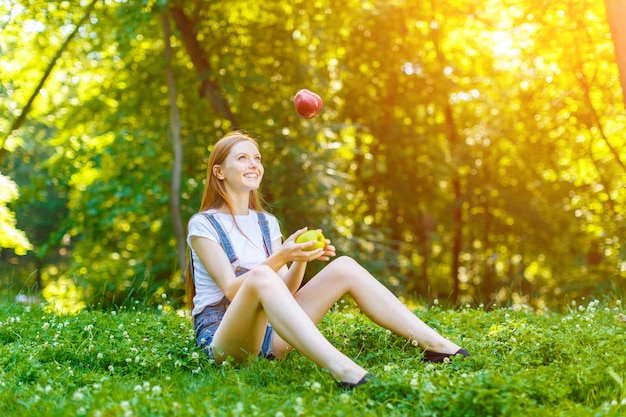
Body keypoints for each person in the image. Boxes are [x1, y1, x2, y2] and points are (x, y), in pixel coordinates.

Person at [186, 131, 469, 389]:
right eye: (243, 158)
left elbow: (286, 291)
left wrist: (300, 258)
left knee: (344, 266)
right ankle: (343, 369)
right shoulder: (203, 225)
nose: (253, 164)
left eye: (257, 158)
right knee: (262, 276)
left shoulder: (266, 223)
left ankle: (436, 345)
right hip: (224, 338)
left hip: (273, 337)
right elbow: (232, 289)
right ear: (219, 171)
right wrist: (282, 255)